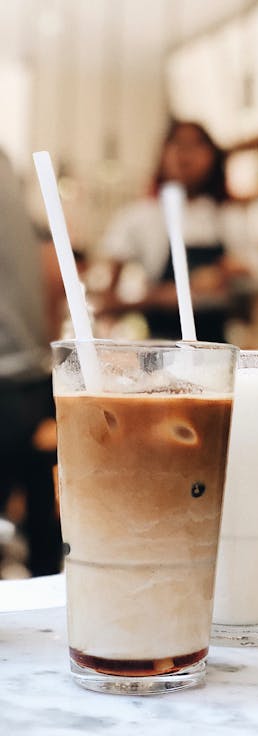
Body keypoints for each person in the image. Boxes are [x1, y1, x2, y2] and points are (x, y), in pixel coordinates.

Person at [99, 120, 246, 341]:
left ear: (212, 156)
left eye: (196, 145)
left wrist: (227, 273)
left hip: (216, 347)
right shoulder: (138, 218)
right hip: (160, 346)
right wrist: (159, 297)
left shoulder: (228, 218)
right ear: (163, 153)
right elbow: (106, 299)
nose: (185, 154)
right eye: (178, 144)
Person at [0, 149, 62, 576]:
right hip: (34, 379)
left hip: (6, 377)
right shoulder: (24, 214)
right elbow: (55, 280)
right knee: (42, 521)